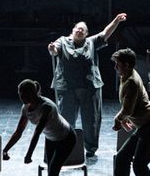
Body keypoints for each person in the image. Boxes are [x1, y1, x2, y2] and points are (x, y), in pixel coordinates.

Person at [48, 13, 127, 158]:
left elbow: (105, 33)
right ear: (72, 30)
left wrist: (116, 21)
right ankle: (66, 145)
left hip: (89, 87)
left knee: (91, 119)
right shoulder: (63, 41)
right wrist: (52, 49)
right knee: (66, 118)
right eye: (77, 28)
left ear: (86, 33)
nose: (79, 30)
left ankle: (90, 148)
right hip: (67, 86)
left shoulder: (91, 42)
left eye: (83, 29)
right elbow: (55, 50)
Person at [3, 79, 77, 176]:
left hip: (66, 138)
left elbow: (37, 132)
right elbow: (19, 131)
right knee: (51, 174)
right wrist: (5, 149)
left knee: (53, 173)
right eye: (20, 95)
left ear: (33, 93)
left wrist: (29, 155)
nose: (22, 98)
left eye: (25, 95)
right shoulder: (25, 108)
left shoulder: (46, 107)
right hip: (51, 138)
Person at [101, 49, 150, 176]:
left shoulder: (131, 81)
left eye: (118, 64)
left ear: (127, 65)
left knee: (139, 166)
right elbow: (132, 105)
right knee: (122, 157)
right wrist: (127, 119)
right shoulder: (126, 76)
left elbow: (127, 109)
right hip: (145, 127)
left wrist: (118, 119)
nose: (115, 67)